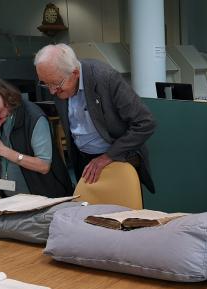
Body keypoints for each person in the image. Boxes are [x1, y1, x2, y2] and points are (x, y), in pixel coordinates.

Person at [33, 43, 156, 193]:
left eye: (56, 84)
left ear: (75, 73)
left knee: (121, 213)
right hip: (83, 161)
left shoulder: (106, 78)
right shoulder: (59, 81)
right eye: (46, 84)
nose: (52, 91)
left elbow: (145, 123)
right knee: (87, 212)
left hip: (117, 159)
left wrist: (108, 156)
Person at [0, 74, 73, 197]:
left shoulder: (33, 117)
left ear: (1, 91)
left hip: (43, 197)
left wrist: (2, 150)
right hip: (10, 199)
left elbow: (43, 166)